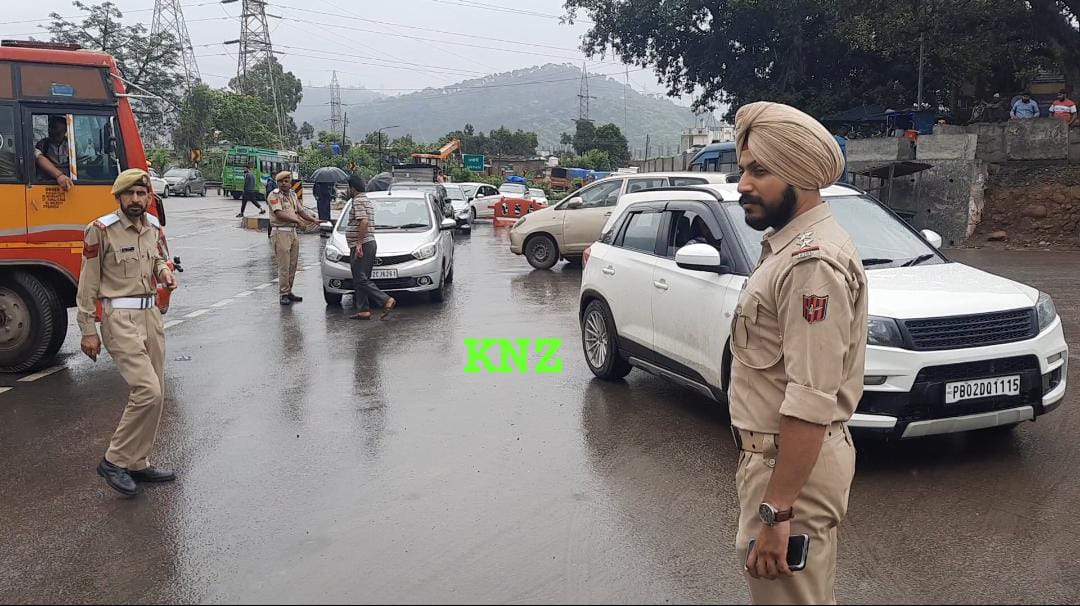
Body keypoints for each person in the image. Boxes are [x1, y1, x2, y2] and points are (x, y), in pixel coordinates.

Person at [729, 101, 868, 604]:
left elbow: (810, 397)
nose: (743, 183)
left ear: (801, 176)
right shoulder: (788, 248)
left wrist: (778, 512)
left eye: (759, 171)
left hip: (791, 473)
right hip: (778, 465)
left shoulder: (811, 262)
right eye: (743, 169)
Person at [77, 168, 178, 496]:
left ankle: (138, 462)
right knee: (146, 390)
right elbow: (88, 283)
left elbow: (157, 261)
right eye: (130, 194)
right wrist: (88, 329)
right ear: (118, 197)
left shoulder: (153, 229)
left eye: (141, 194)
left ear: (149, 196)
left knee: (157, 393)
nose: (136, 200)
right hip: (119, 318)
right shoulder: (100, 230)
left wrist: (163, 273)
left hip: (150, 314)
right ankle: (114, 459)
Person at [344, 174, 395, 320]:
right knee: (361, 278)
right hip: (368, 243)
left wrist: (359, 243)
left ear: (352, 188)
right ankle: (363, 310)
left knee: (360, 279)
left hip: (363, 244)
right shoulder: (366, 200)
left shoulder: (358, 201)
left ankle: (385, 300)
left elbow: (364, 222)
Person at [267, 170, 318, 305]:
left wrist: (313, 220)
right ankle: (283, 293)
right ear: (278, 183)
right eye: (282, 181)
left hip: (292, 232)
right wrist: (297, 221)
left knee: (293, 264)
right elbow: (279, 213)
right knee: (284, 265)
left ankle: (289, 291)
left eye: (287, 181)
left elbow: (300, 211)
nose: (285, 183)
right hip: (280, 232)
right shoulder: (274, 195)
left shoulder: (293, 194)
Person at [35, 115, 74, 191]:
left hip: (69, 180)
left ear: (65, 131)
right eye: (52, 130)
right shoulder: (43, 144)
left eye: (58, 132)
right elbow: (38, 158)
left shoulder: (72, 144)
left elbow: (79, 161)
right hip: (47, 181)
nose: (54, 133)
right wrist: (59, 175)